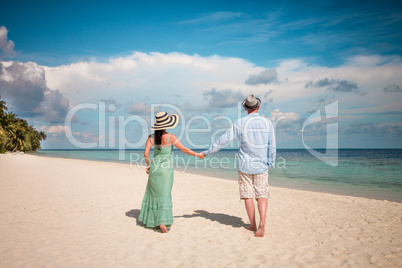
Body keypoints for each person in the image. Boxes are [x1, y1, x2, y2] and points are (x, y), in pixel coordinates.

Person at [201, 94, 276, 237]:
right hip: (261, 165)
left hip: (244, 165)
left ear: (245, 108)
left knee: (247, 195)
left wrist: (207, 152)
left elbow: (224, 140)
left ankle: (253, 224)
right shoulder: (268, 123)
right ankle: (263, 221)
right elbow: (272, 145)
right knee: (262, 194)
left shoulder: (239, 123)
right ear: (258, 107)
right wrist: (270, 162)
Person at [139, 111, 204, 233]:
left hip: (155, 169)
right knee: (165, 194)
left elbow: (146, 154)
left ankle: (155, 221)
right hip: (166, 170)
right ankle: (162, 222)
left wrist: (148, 166)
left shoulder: (151, 137)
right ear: (166, 125)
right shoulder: (171, 137)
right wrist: (198, 155)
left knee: (154, 194)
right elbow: (184, 149)